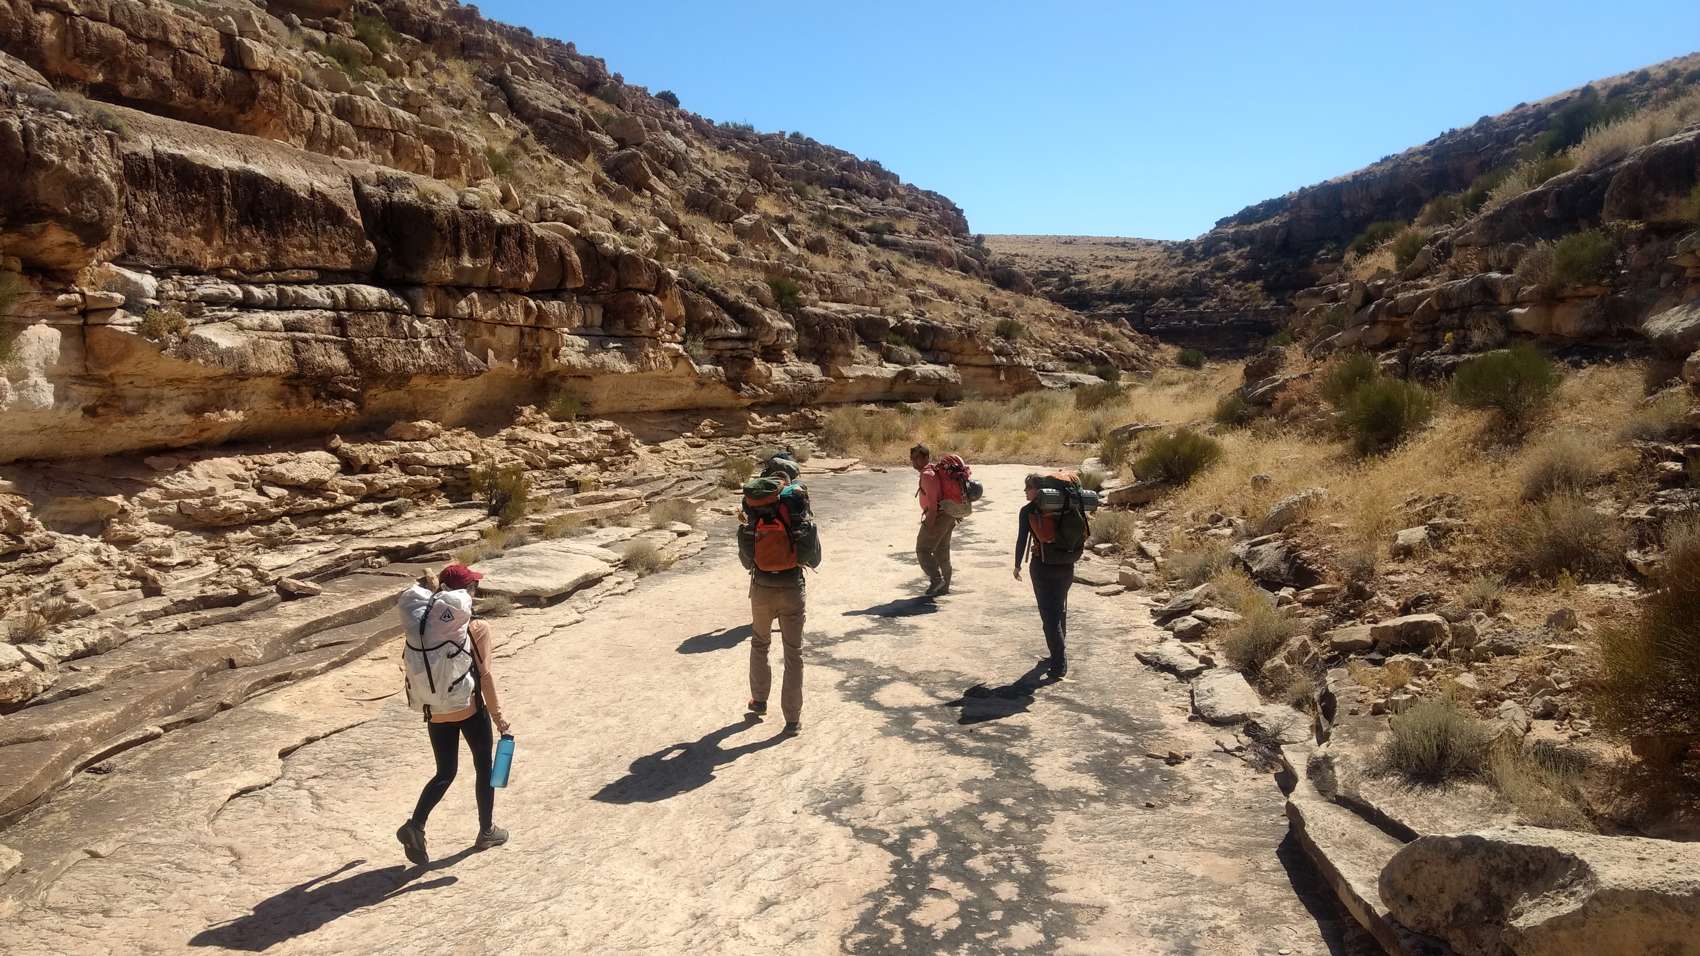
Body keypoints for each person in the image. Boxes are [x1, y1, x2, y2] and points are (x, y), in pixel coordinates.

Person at [396, 563, 512, 865]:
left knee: (445, 771)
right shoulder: (476, 628)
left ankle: (416, 824)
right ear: (468, 591)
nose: (475, 590)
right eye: (473, 586)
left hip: (435, 710)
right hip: (468, 709)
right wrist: (499, 718)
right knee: (484, 768)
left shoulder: (424, 626)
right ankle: (487, 831)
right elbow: (485, 676)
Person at [738, 461, 820, 735]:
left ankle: (759, 701)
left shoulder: (754, 514)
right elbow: (814, 558)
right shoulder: (796, 510)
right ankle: (792, 719)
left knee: (760, 643)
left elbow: (746, 561)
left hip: (762, 588)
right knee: (793, 653)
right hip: (792, 587)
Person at [1014, 474, 1075, 679]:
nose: (1025, 491)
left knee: (1049, 615)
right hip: (1067, 565)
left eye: (1028, 488)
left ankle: (1059, 663)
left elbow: (1022, 539)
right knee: (1058, 608)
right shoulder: (1067, 506)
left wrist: (1017, 565)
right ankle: (1057, 652)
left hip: (1043, 567)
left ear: (1037, 490)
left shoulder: (1028, 511)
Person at [911, 443, 956, 596]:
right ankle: (944, 586)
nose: (914, 461)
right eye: (912, 458)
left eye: (917, 458)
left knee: (922, 550)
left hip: (937, 516)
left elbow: (932, 502)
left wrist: (930, 523)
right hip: (947, 515)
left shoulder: (928, 475)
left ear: (926, 457)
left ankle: (936, 580)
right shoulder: (932, 471)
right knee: (941, 551)